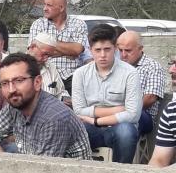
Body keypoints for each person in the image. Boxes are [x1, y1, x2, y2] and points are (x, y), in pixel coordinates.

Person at [0, 53, 91, 158]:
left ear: (37, 82)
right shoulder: (16, 105)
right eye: (5, 83)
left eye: (19, 80)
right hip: (33, 162)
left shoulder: (54, 118)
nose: (11, 89)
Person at [71, 24, 141, 163]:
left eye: (107, 49)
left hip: (118, 127)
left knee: (126, 132)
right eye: (97, 50)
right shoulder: (80, 74)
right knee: (71, 129)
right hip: (90, 128)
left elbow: (133, 115)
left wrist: (96, 120)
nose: (102, 55)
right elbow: (78, 110)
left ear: (115, 49)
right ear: (90, 50)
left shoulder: (130, 73)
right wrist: (118, 110)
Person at [27, 0, 88, 93]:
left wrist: (46, 44)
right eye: (44, 4)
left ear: (61, 8)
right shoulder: (38, 24)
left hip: (71, 76)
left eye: (49, 5)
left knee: (77, 104)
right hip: (46, 74)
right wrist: (69, 52)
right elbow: (34, 52)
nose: (44, 8)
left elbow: (77, 49)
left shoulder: (78, 24)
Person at [116, 31, 168, 135]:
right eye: (120, 50)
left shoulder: (152, 67)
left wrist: (120, 111)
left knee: (125, 124)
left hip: (142, 115)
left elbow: (150, 98)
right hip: (113, 111)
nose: (123, 55)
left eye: (128, 50)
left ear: (140, 48)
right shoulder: (116, 65)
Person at [27, 32, 67, 100]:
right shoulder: (17, 67)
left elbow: (60, 92)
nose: (46, 59)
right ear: (32, 47)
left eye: (49, 56)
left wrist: (65, 98)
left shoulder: (50, 67)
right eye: (44, 54)